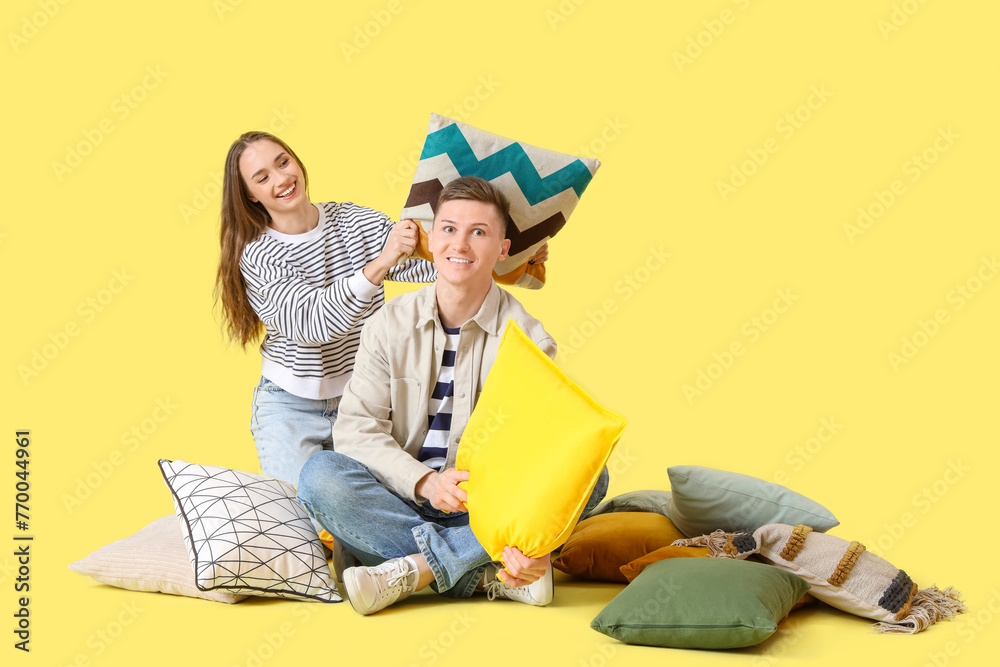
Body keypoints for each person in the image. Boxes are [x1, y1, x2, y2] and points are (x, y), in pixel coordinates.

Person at [297, 176, 607, 615]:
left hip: (483, 510)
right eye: (448, 228)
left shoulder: (530, 341)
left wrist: (491, 505)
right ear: (431, 237)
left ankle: (413, 570)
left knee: (594, 475)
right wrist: (424, 482)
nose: (460, 244)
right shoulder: (388, 323)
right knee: (320, 476)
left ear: (502, 249)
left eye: (478, 232)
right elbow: (356, 428)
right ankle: (481, 572)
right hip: (400, 498)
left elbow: (536, 451)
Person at [214, 131, 436, 488]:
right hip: (291, 409)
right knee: (303, 522)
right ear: (250, 196)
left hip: (364, 403)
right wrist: (379, 265)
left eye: (283, 162)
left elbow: (436, 265)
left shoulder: (356, 223)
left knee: (366, 519)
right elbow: (314, 325)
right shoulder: (258, 255)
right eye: (263, 177)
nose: (282, 178)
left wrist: (512, 259)